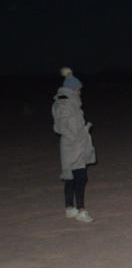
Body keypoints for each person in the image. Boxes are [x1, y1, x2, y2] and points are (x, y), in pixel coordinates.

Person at [52, 67, 97, 223]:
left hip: (76, 145)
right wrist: (76, 137)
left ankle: (70, 208)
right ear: (72, 89)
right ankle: (81, 210)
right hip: (72, 147)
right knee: (79, 178)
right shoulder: (64, 104)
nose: (80, 92)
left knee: (72, 178)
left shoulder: (72, 103)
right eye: (78, 89)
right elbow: (60, 127)